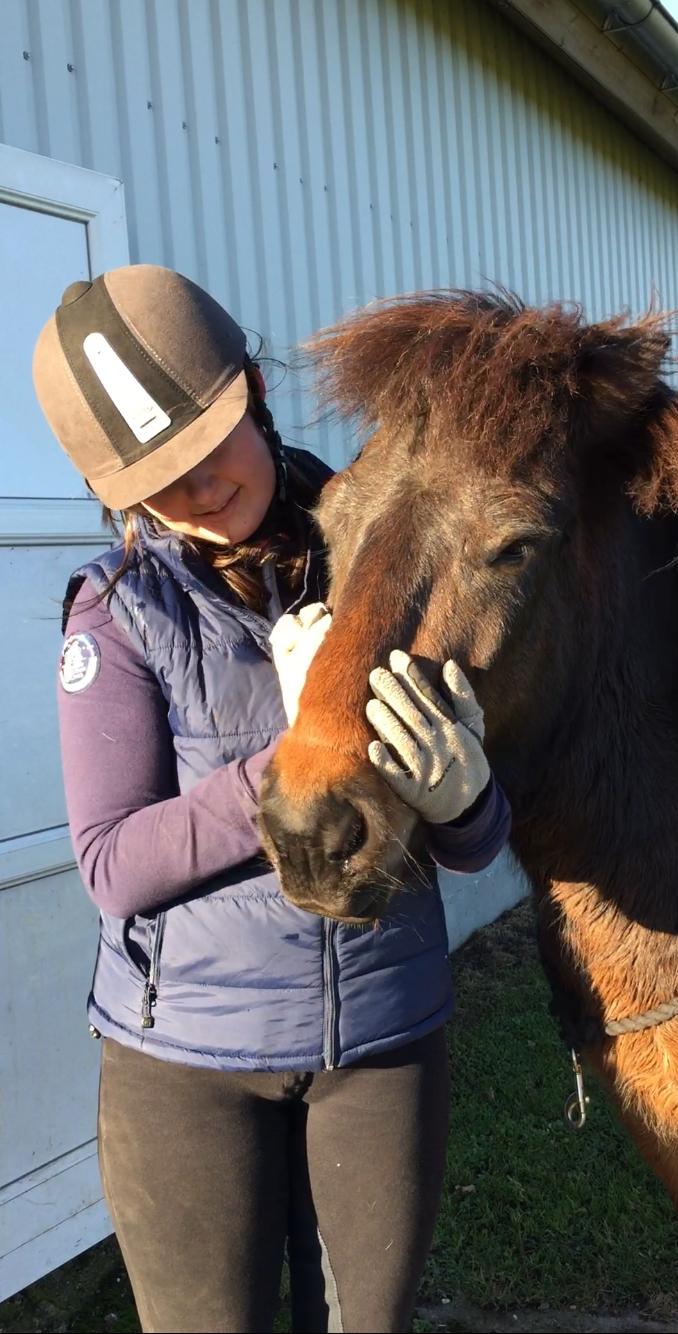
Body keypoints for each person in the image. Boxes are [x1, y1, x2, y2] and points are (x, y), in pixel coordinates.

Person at [33, 265, 511, 1334]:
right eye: (162, 479)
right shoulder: (120, 615)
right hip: (188, 1063)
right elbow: (113, 861)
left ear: (253, 386)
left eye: (211, 445)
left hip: (381, 1039)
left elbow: (472, 844)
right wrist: (287, 755)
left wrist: (468, 796)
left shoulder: (379, 558)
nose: (201, 490)